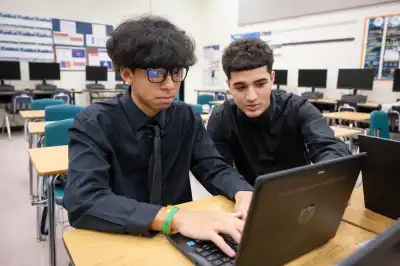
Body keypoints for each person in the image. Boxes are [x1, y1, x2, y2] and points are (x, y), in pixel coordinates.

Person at [63, 16, 253, 257]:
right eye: (156, 73)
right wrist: (172, 218)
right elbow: (84, 201)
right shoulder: (94, 123)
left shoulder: (186, 117)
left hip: (179, 241)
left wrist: (242, 191)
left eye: (176, 73)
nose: (170, 85)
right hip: (118, 238)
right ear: (127, 74)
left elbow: (213, 166)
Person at [207, 38, 351, 186]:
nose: (251, 97)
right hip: (248, 198)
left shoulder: (297, 108)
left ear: (272, 78)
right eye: (240, 87)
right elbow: (216, 168)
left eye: (260, 84)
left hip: (301, 196)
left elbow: (331, 148)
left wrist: (324, 178)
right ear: (228, 85)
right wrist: (239, 191)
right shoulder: (221, 118)